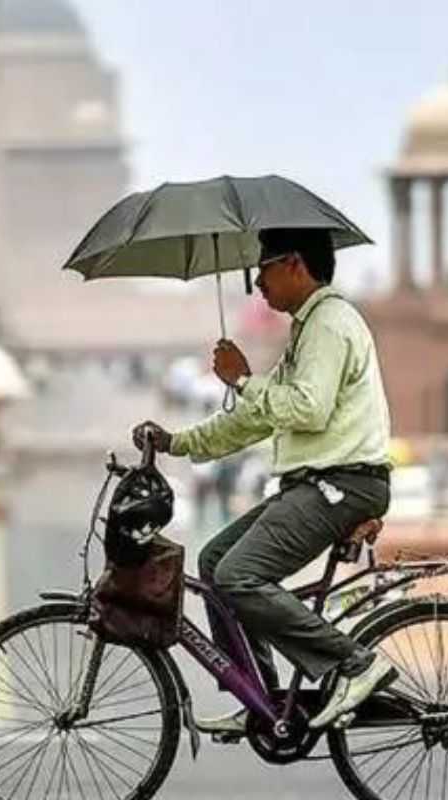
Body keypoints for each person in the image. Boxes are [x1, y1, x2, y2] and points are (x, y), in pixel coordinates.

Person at [132, 227, 395, 734]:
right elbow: (256, 418)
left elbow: (307, 409)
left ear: (295, 264)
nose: (257, 285)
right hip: (318, 485)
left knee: (237, 577)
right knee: (213, 562)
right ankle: (261, 697)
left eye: (262, 270)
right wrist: (176, 443)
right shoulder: (307, 330)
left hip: (342, 485)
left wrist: (242, 380)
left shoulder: (331, 323)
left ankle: (355, 663)